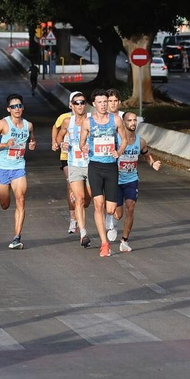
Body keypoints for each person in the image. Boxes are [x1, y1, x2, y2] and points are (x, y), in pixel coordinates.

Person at [83, 90, 133, 257]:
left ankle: (110, 220)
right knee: (98, 204)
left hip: (111, 167)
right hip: (95, 167)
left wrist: (119, 152)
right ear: (94, 104)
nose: (104, 105)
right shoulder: (88, 122)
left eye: (106, 101)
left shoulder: (116, 120)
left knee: (111, 209)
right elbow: (82, 142)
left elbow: (125, 139)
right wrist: (84, 147)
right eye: (100, 102)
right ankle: (104, 244)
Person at [0, 94, 35, 249]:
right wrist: (5, 144)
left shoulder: (28, 125)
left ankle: (17, 237)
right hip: (2, 168)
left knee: (20, 200)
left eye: (19, 105)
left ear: (23, 107)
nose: (17, 109)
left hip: (19, 167)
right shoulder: (3, 124)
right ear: (9, 109)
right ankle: (5, 198)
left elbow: (32, 139)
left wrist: (32, 144)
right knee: (5, 204)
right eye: (13, 106)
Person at [116, 111, 162, 252]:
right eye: (129, 120)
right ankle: (111, 221)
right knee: (118, 214)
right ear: (123, 123)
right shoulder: (116, 139)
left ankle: (124, 240)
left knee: (131, 208)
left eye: (135, 120)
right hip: (116, 180)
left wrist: (152, 163)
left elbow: (146, 154)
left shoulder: (140, 141)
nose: (133, 123)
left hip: (131, 179)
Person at [53, 91, 93, 246]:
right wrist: (61, 143)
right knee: (80, 199)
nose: (80, 105)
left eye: (82, 102)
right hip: (74, 164)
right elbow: (59, 136)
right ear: (71, 105)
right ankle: (83, 234)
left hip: (91, 164)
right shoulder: (67, 122)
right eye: (77, 103)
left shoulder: (92, 121)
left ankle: (79, 212)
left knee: (88, 199)